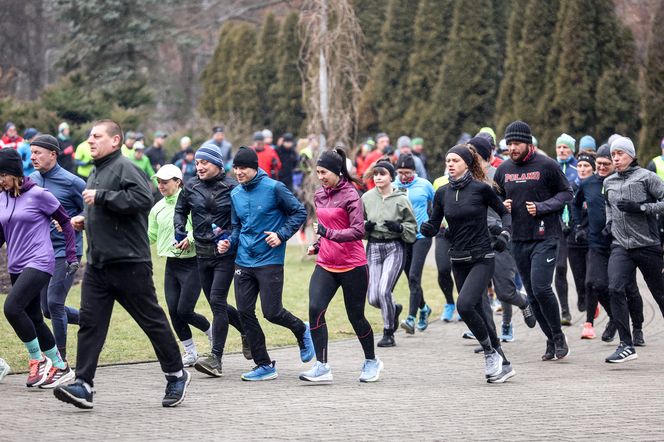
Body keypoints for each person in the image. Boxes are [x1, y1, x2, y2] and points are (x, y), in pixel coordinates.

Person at [53, 120, 189, 409]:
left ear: (115, 141)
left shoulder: (126, 167)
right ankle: (83, 384)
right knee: (90, 325)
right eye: (89, 136)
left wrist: (101, 198)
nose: (90, 141)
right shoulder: (96, 172)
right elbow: (107, 211)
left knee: (150, 321)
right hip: (99, 266)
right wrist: (84, 220)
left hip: (130, 263)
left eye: (97, 136)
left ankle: (176, 374)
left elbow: (142, 198)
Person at [420, 144, 515, 383]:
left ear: (466, 164)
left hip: (482, 257)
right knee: (479, 311)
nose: (450, 164)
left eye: (455, 160)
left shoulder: (482, 189)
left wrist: (504, 234)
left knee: (464, 305)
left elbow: (504, 213)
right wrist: (428, 228)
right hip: (458, 259)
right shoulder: (442, 193)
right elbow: (435, 221)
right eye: (447, 161)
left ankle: (489, 353)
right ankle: (503, 362)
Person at [219, 147, 313, 381]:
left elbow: (299, 213)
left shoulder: (274, 188)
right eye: (236, 168)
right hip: (243, 259)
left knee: (272, 312)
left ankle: (301, 329)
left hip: (269, 259)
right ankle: (264, 364)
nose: (238, 172)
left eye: (243, 168)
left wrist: (281, 235)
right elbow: (238, 227)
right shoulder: (236, 194)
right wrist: (229, 243)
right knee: (244, 312)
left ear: (255, 167)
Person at [300, 148, 382, 383]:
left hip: (353, 265)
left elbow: (358, 230)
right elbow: (325, 229)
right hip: (326, 263)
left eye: (324, 172)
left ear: (337, 171)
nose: (321, 176)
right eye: (318, 172)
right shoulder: (319, 195)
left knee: (356, 317)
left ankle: (371, 361)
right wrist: (318, 244)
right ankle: (322, 366)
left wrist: (328, 233)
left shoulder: (351, 195)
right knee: (315, 309)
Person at [493, 121, 572, 361]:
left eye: (516, 143)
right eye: (509, 144)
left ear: (528, 143)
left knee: (541, 287)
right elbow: (495, 198)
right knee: (532, 293)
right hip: (518, 239)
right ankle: (549, 338)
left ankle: (558, 336)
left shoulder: (547, 165)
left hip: (545, 236)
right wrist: (501, 206)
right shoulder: (504, 169)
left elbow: (566, 193)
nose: (512, 148)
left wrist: (542, 207)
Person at [0, 148, 78, 389]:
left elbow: (65, 221)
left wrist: (71, 255)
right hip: (16, 263)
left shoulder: (39, 195)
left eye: (3, 174)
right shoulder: (1, 198)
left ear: (15, 173)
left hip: (40, 260)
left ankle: (38, 359)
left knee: (12, 308)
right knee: (34, 317)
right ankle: (61, 365)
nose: (0, 180)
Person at [174, 144, 249, 377]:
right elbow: (180, 210)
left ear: (217, 163)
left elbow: (244, 218)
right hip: (202, 254)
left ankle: (215, 358)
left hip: (225, 254)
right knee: (218, 305)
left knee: (217, 301)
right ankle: (247, 331)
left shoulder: (233, 188)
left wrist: (230, 237)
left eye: (204, 162)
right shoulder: (191, 186)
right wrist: (180, 230)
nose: (199, 167)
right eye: (197, 163)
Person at [572, 145, 644, 342]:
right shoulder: (587, 184)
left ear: (614, 164)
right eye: (599, 164)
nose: (602, 167)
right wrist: (578, 226)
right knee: (595, 283)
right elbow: (575, 204)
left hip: (620, 243)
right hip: (596, 243)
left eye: (606, 164)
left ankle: (637, 329)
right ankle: (614, 317)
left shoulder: (621, 182)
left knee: (627, 287)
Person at [468, 136, 536, 342]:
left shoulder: (497, 175)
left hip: (499, 239)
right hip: (475, 241)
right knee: (477, 294)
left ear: (481, 154)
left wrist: (504, 228)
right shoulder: (466, 179)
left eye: (473, 152)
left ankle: (523, 304)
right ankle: (489, 338)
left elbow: (509, 206)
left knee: (505, 291)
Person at [603, 136, 664, 363]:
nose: (616, 158)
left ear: (631, 155)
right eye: (613, 155)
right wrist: (609, 223)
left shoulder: (647, 178)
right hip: (621, 246)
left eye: (620, 154)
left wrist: (642, 207)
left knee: (660, 294)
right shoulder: (608, 182)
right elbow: (608, 204)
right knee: (615, 289)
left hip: (647, 245)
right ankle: (626, 345)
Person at [149, 164, 212, 368]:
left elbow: (203, 226)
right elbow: (150, 235)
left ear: (178, 182)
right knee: (174, 311)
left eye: (165, 182)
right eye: (158, 182)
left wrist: (190, 238)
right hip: (172, 264)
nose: (161, 185)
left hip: (193, 263)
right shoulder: (157, 208)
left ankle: (213, 336)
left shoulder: (190, 203)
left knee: (185, 310)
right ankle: (191, 352)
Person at [29, 134, 85, 361]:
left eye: (37, 153)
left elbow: (92, 211)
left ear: (52, 154)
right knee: (45, 310)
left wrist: (76, 220)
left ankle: (59, 359)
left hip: (67, 251)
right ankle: (91, 321)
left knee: (54, 302)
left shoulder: (73, 182)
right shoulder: (31, 179)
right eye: (31, 152)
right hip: (42, 252)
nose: (33, 157)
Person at [362, 160, 417, 347]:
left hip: (394, 247)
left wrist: (400, 227)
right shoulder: (367, 198)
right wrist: (365, 228)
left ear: (391, 177)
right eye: (375, 173)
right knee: (373, 298)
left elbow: (412, 227)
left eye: (382, 173)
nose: (378, 177)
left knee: (385, 290)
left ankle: (388, 333)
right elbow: (357, 225)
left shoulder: (402, 199)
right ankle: (394, 308)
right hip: (374, 248)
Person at [394, 154, 435, 334]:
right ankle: (424, 308)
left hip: (421, 236)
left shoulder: (424, 185)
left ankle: (411, 318)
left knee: (413, 276)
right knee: (411, 279)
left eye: (407, 173)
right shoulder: (393, 186)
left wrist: (434, 222)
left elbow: (438, 203)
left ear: (414, 171)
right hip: (403, 237)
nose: (404, 176)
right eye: (400, 172)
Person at [554, 133, 579, 325]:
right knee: (560, 268)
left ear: (572, 150)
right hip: (558, 226)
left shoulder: (578, 167)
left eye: (565, 148)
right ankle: (564, 311)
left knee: (582, 271)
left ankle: (585, 297)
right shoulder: (550, 167)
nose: (562, 151)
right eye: (559, 147)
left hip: (577, 225)